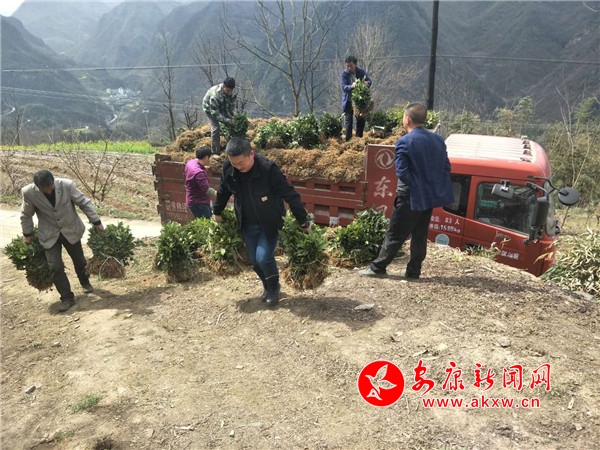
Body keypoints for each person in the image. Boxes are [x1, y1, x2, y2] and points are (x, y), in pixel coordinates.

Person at [359, 102, 454, 279]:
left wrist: (416, 185)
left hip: (410, 195)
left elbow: (402, 172)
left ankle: (378, 268)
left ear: (407, 119)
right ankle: (413, 271)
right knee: (420, 234)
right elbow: (446, 167)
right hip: (428, 197)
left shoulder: (405, 141)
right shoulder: (438, 140)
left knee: (395, 233)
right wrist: (428, 185)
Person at [213, 138, 311, 307]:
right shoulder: (229, 168)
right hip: (247, 221)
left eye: (241, 163)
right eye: (234, 163)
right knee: (254, 260)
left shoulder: (268, 169)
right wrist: (217, 211)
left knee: (263, 257)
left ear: (251, 154)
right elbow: (223, 191)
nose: (238, 167)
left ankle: (274, 288)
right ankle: (267, 285)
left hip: (270, 222)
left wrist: (303, 221)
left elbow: (290, 194)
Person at [20, 170, 104, 312]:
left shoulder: (66, 185)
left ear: (53, 181)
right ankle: (66, 298)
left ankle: (85, 282)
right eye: (44, 189)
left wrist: (96, 222)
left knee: (79, 261)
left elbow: (84, 203)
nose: (48, 191)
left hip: (70, 229)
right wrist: (27, 233)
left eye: (49, 187)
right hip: (49, 233)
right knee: (55, 267)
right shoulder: (28, 192)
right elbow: (26, 215)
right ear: (37, 186)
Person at [341, 56, 372, 142]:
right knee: (348, 120)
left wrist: (366, 83)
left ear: (355, 64)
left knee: (360, 119)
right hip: (348, 100)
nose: (349, 68)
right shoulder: (344, 74)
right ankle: (348, 140)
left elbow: (369, 81)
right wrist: (351, 86)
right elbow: (344, 87)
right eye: (347, 66)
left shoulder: (361, 72)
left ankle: (359, 139)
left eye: (350, 65)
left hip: (359, 101)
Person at [202, 77, 236, 155]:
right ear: (223, 86)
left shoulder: (230, 92)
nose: (229, 92)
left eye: (231, 91)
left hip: (222, 106)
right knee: (216, 128)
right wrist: (228, 121)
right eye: (228, 90)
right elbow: (215, 114)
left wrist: (233, 115)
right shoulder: (215, 95)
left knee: (232, 125)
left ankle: (230, 146)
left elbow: (231, 105)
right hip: (210, 109)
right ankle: (215, 151)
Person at [185, 145, 216, 219]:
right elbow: (207, 190)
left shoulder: (190, 162)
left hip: (191, 199)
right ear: (206, 157)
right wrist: (220, 194)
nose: (209, 160)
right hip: (199, 203)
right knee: (207, 223)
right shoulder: (199, 173)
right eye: (209, 158)